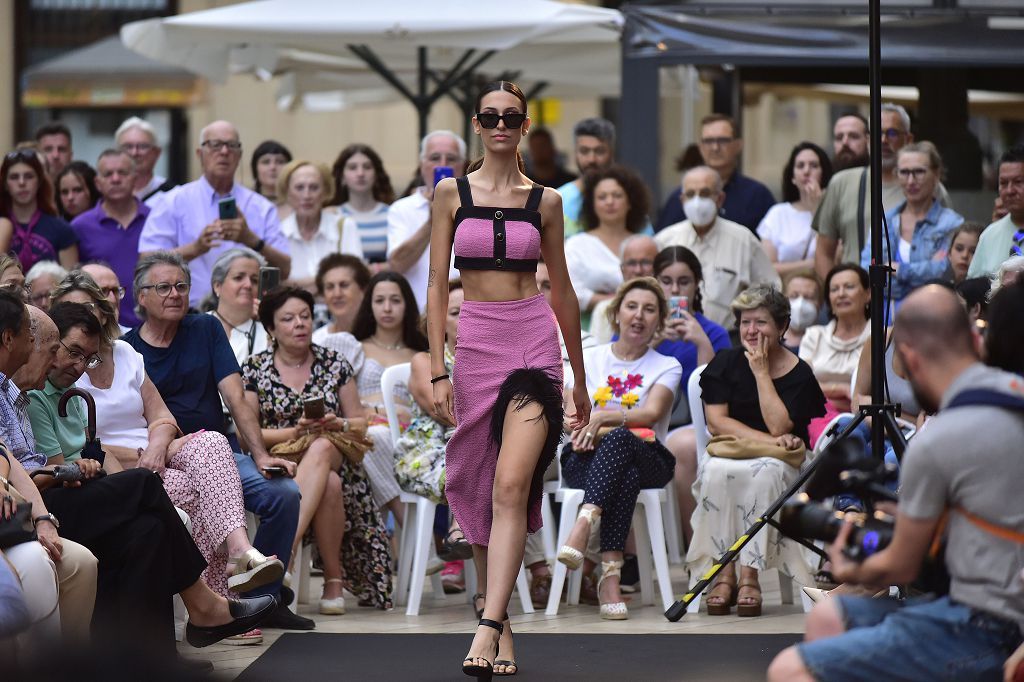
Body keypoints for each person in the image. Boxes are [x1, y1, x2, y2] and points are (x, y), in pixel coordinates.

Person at [767, 285, 1024, 682]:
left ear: (907, 358)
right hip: (980, 607)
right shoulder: (1012, 397)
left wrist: (852, 558)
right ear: (975, 340)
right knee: (830, 617)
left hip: (985, 625)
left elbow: (898, 565)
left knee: (788, 669)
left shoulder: (937, 440)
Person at [0, 295, 276, 660]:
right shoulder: (30, 394)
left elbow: (24, 464)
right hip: (32, 506)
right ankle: (206, 604)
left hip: (49, 497)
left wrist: (72, 474)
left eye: (87, 357)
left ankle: (151, 660)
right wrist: (56, 487)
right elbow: (19, 468)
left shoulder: (14, 392)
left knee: (149, 529)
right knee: (145, 486)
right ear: (11, 339)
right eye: (49, 348)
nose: (57, 360)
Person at [428, 80, 589, 677]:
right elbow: (435, 286)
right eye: (490, 116)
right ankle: (504, 624)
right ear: (477, 124)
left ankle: (487, 624)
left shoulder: (546, 201)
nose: (500, 124)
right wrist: (438, 365)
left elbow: (564, 289)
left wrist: (578, 375)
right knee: (474, 482)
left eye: (511, 117)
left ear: (524, 125)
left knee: (512, 484)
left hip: (533, 342)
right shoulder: (450, 193)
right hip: (474, 345)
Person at [123, 251, 308, 630]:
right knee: (196, 503)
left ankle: (264, 598)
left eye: (181, 286)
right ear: (141, 297)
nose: (175, 294)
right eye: (163, 287)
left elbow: (235, 396)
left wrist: (258, 454)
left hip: (219, 452)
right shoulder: (128, 352)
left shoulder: (205, 328)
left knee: (284, 494)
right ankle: (222, 605)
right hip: (161, 457)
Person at [242, 286, 393, 612]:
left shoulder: (334, 363)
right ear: (271, 329)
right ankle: (333, 581)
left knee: (323, 446)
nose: (300, 324)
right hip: (283, 458)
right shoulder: (255, 368)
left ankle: (286, 554)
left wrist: (334, 422)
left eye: (305, 316)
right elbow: (248, 435)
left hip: (335, 448)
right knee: (330, 485)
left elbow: (359, 423)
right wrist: (295, 430)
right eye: (288, 318)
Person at [687, 286, 826, 617]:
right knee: (716, 472)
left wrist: (762, 373)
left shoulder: (799, 372)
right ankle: (724, 571)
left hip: (784, 463)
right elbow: (717, 422)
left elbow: (780, 427)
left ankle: (749, 576)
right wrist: (768, 443)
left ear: (781, 326)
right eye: (745, 322)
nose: (751, 331)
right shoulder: (725, 362)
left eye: (761, 322)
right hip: (737, 452)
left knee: (765, 475)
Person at [556, 277, 681, 620]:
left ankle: (584, 525)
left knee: (624, 439)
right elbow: (572, 418)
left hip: (650, 455)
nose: (639, 316)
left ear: (659, 321)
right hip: (584, 455)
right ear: (616, 314)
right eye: (632, 306)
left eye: (649, 309)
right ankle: (610, 578)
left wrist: (602, 419)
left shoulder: (667, 366)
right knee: (624, 473)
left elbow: (652, 414)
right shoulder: (587, 359)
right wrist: (594, 427)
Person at [139, 120, 291, 307]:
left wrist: (251, 239)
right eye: (215, 145)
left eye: (231, 146)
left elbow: (284, 269)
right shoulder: (173, 201)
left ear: (239, 155)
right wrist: (195, 248)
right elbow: (145, 263)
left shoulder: (260, 207)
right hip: (187, 314)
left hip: (248, 316)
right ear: (199, 154)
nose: (224, 152)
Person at [813, 103, 951, 280]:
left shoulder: (929, 187)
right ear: (869, 139)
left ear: (908, 140)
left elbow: (945, 250)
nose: (884, 140)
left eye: (892, 133)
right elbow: (823, 252)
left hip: (911, 296)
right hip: (858, 298)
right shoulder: (842, 183)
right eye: (878, 133)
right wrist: (834, 296)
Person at [650, 246, 731, 545]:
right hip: (641, 419)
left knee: (685, 447)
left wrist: (701, 344)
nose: (674, 289)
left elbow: (714, 392)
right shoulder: (637, 326)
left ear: (696, 284)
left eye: (683, 281)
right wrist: (652, 341)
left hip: (690, 426)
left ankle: (695, 546)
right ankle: (629, 557)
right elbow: (620, 374)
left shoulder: (714, 333)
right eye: (666, 281)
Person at [655, 166, 781, 329]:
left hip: (728, 342)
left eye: (705, 194)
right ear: (682, 200)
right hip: (672, 339)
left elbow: (770, 292)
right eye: (691, 194)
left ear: (720, 198)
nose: (697, 201)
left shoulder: (743, 240)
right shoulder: (664, 240)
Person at [350, 271, 426, 520]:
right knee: (369, 438)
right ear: (369, 306)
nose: (387, 308)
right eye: (379, 300)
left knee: (372, 440)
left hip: (410, 432)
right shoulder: (356, 347)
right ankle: (410, 527)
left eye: (395, 300)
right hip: (367, 425)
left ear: (407, 305)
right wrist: (374, 412)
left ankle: (413, 541)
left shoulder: (420, 353)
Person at [861, 142, 964, 310]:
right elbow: (867, 271)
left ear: (936, 174)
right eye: (904, 172)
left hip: (933, 314)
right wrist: (923, 273)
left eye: (919, 172)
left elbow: (946, 272)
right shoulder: (884, 221)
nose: (911, 180)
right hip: (885, 320)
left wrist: (900, 270)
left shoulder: (952, 223)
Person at [656, 114, 776, 234]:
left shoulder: (757, 196)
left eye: (723, 140)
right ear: (700, 147)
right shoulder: (681, 197)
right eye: (708, 141)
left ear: (738, 145)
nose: (715, 147)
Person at [387, 130, 465, 311]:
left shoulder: (478, 205)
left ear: (462, 165)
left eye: (451, 159)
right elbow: (397, 265)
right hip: (416, 315)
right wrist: (432, 221)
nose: (443, 165)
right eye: (435, 158)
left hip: (463, 316)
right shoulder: (401, 209)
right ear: (422, 165)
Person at [71, 148, 150, 327]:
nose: (115, 179)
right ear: (98, 183)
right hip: (99, 328)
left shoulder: (157, 219)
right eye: (108, 174)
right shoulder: (80, 226)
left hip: (152, 328)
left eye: (122, 172)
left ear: (135, 178)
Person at [565, 166, 651, 321]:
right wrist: (619, 300)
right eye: (602, 197)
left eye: (617, 195)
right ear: (592, 204)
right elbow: (569, 292)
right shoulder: (576, 245)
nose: (610, 202)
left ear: (630, 201)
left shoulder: (644, 244)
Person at [800, 264, 871, 443]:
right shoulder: (814, 335)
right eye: (834, 289)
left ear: (868, 294)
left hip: (866, 418)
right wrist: (842, 390)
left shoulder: (881, 337)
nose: (841, 294)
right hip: (817, 418)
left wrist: (824, 390)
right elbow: (801, 386)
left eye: (849, 287)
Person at [278, 159, 363, 292]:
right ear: (287, 192)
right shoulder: (278, 232)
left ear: (325, 192)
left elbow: (355, 278)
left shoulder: (344, 226)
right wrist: (328, 282)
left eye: (314, 187)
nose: (306, 195)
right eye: (299, 188)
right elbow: (276, 287)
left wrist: (293, 285)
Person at [757, 142, 832, 278]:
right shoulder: (778, 214)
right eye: (800, 166)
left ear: (824, 173)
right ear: (793, 177)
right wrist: (810, 264)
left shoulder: (833, 211)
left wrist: (817, 209)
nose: (806, 171)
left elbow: (834, 255)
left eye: (814, 166)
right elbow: (766, 267)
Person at [0, 149, 78, 270]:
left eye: (29, 176)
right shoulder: (2, 226)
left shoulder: (61, 229)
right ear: (5, 184)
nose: (21, 183)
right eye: (14, 177)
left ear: (40, 181)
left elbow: (72, 284)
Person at [329, 143, 395, 266]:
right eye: (352, 167)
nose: (360, 173)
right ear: (342, 177)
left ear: (376, 175)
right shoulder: (333, 215)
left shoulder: (392, 214)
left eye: (367, 167)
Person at [968, 144, 1024, 279]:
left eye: (1018, 182)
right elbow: (974, 288)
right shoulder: (989, 235)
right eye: (1004, 183)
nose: (1010, 190)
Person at [590, 234, 658, 344]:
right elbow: (596, 355)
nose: (638, 270)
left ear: (659, 267)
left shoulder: (670, 309)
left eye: (645, 262)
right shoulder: (604, 310)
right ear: (622, 269)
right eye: (631, 263)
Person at [556, 117, 617, 238]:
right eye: (584, 151)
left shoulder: (627, 199)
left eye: (599, 151)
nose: (591, 159)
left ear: (612, 153)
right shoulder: (558, 200)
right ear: (575, 153)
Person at [114, 116, 174, 205]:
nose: (134, 153)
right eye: (128, 147)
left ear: (157, 153)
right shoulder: (106, 195)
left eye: (142, 146)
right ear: (116, 152)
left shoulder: (173, 194)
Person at [312, 253, 371, 341]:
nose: (337, 294)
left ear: (363, 290)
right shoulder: (317, 341)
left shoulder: (380, 337)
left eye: (344, 285)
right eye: (330, 287)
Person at [78, 262, 130, 334]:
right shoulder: (65, 341)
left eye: (115, 291)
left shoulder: (133, 343)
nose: (113, 300)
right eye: (103, 291)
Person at [250, 140, 292, 207]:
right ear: (255, 168)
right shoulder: (246, 202)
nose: (273, 167)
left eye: (280, 162)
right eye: (266, 162)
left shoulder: (300, 202)